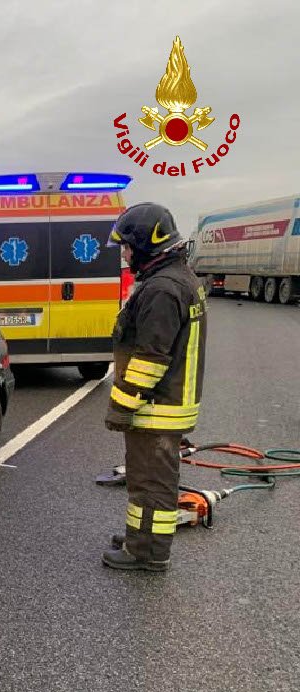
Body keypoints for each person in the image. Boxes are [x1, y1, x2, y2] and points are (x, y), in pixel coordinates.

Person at [102, 202, 208, 572]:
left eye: (128, 247)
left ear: (147, 245)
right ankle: (140, 538)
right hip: (165, 404)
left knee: (152, 483)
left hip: (157, 407)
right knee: (145, 479)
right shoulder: (175, 279)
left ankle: (147, 553)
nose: (126, 254)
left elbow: (151, 358)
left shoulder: (163, 289)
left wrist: (122, 406)